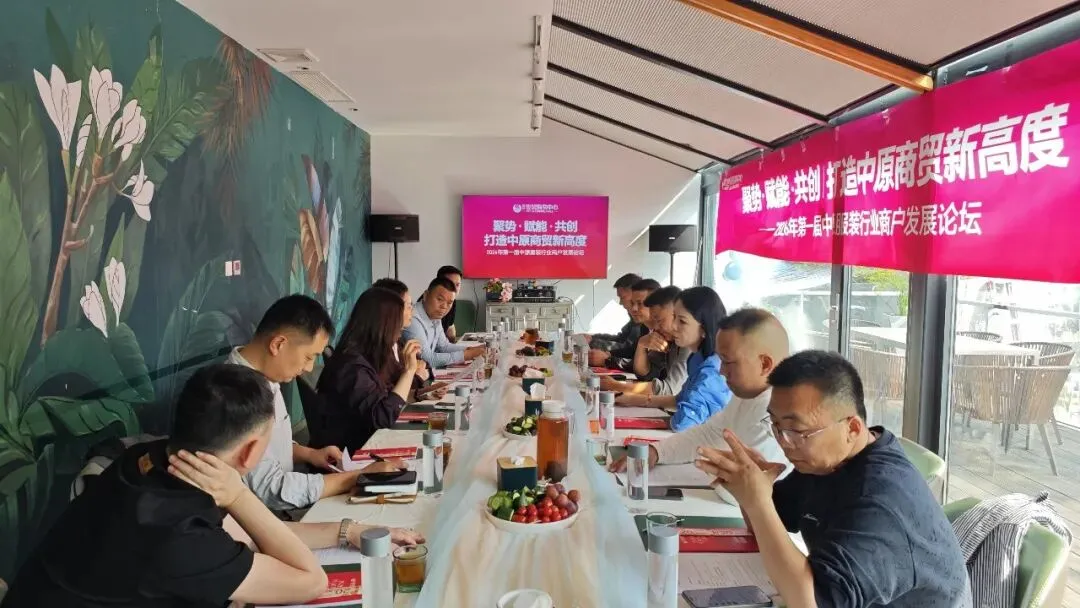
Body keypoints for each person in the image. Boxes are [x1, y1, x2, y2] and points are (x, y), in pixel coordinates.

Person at [4, 364, 422, 608]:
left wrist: (350, 531)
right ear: (251, 450)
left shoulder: (153, 460)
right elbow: (311, 581)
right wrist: (239, 495)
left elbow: (257, 534)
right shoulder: (178, 533)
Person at [695, 351, 972, 608]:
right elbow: (766, 528)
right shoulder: (824, 462)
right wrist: (752, 491)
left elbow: (811, 602)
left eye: (796, 430)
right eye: (776, 426)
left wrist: (758, 501)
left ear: (852, 428)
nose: (784, 443)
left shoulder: (880, 502)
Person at [226, 295, 392, 511]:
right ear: (278, 344)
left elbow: (270, 448)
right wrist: (356, 477)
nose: (309, 368)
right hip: (266, 517)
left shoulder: (265, 378)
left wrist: (311, 454)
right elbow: (272, 490)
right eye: (308, 357)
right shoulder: (236, 395)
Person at [610, 308, 791, 505]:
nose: (721, 371)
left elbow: (737, 492)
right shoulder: (748, 394)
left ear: (764, 364)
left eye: (728, 362)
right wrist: (657, 452)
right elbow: (709, 433)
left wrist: (716, 469)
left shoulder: (777, 414)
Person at [316, 288, 424, 448]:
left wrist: (417, 394)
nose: (399, 334)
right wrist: (409, 372)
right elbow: (382, 416)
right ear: (383, 326)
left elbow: (386, 396)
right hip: (352, 452)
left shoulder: (369, 356)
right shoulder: (351, 366)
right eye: (397, 327)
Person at [616, 286, 731, 431]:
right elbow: (680, 398)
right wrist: (635, 399)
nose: (674, 326)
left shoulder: (712, 371)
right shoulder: (697, 358)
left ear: (704, 328)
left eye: (682, 321)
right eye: (674, 317)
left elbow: (683, 423)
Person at [601, 285, 690, 398]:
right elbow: (646, 374)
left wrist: (617, 386)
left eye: (659, 320)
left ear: (676, 315)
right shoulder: (667, 338)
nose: (655, 327)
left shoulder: (687, 343)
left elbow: (670, 390)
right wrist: (641, 345)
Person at [372, 278, 447, 402]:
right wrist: (416, 375)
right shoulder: (376, 351)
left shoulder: (397, 342)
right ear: (392, 310)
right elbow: (391, 398)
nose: (412, 310)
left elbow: (424, 366)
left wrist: (424, 393)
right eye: (408, 306)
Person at [404, 276, 484, 369]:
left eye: (449, 303)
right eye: (440, 299)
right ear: (425, 295)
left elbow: (444, 346)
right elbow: (428, 359)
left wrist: (471, 349)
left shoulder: (434, 315)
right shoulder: (412, 319)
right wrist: (467, 355)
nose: (444, 307)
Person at [586, 273, 647, 367]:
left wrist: (607, 359)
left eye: (622, 297)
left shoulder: (644, 323)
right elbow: (623, 342)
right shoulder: (637, 321)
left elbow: (628, 349)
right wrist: (593, 338)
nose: (620, 303)